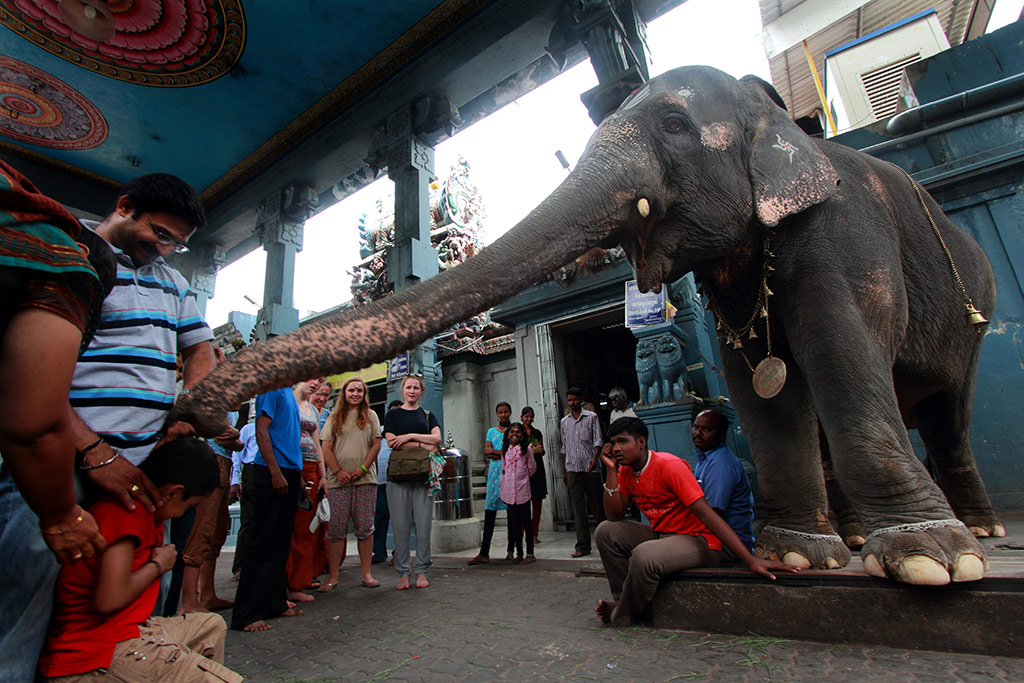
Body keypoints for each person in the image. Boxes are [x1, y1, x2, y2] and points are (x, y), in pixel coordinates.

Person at [1, 171, 213, 680]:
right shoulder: (67, 256)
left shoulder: (174, 282)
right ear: (125, 206)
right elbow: (29, 382)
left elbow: (201, 351)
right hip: (59, 465)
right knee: (28, 602)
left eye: (177, 245)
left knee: (131, 614)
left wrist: (189, 408)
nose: (163, 250)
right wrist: (93, 450)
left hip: (143, 474)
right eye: (159, 234)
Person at [37, 437, 241, 682]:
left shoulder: (146, 513)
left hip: (129, 631)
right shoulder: (128, 515)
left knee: (210, 626)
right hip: (97, 653)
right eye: (188, 506)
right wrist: (157, 566)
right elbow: (108, 600)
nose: (183, 514)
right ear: (173, 492)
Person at [594, 417, 800, 627]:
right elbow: (615, 515)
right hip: (663, 535)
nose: (617, 448)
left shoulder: (668, 466)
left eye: (623, 441)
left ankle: (623, 614)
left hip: (699, 541)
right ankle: (623, 603)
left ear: (641, 442)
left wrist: (750, 560)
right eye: (614, 443)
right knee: (605, 531)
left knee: (644, 555)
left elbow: (706, 514)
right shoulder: (626, 471)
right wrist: (611, 470)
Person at [230, 384, 305, 632]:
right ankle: (246, 614)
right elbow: (262, 432)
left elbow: (290, 436)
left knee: (280, 542)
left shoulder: (288, 394)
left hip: (290, 471)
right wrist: (274, 472)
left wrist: (298, 476)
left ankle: (274, 603)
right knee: (261, 542)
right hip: (272, 470)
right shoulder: (271, 388)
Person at [178, 347, 242, 613]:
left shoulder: (221, 395)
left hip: (223, 464)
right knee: (200, 531)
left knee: (215, 532)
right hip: (205, 463)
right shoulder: (191, 392)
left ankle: (207, 594)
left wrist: (234, 440)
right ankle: (188, 602)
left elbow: (232, 436)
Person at [320, 378, 382, 590]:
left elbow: (376, 445)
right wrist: (337, 471)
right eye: (351, 390)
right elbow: (326, 447)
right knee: (336, 529)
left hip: (365, 480)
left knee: (365, 527)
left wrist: (362, 468)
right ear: (344, 393)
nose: (355, 393)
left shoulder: (371, 416)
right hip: (338, 482)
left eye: (359, 390)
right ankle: (333, 577)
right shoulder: (334, 417)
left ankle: (367, 574)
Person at [383, 375, 441, 590]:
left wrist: (409, 437)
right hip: (398, 477)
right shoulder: (393, 415)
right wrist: (420, 444)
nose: (412, 391)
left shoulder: (427, 415)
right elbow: (391, 442)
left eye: (416, 387)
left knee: (424, 524)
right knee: (400, 525)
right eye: (408, 387)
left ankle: (422, 570)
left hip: (422, 475)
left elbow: (436, 439)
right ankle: (403, 572)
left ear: (421, 391)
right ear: (403, 390)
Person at [284, 378, 328, 603]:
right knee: (286, 529)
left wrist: (322, 475)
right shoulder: (287, 400)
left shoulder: (312, 409)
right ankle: (280, 585)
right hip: (291, 468)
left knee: (304, 529)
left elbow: (317, 442)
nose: (316, 384)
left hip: (311, 470)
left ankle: (296, 583)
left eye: (321, 380)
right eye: (312, 377)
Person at [691, 409, 755, 561]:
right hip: (713, 537)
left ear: (722, 435)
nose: (698, 433)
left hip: (728, 544)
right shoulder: (705, 457)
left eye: (706, 429)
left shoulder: (721, 464)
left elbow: (712, 514)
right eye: (696, 427)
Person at [560, 387, 604, 558]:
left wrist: (595, 458)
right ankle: (582, 547)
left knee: (597, 509)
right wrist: (565, 470)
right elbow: (564, 447)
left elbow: (598, 440)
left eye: (575, 400)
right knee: (579, 511)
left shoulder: (592, 417)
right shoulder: (564, 422)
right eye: (569, 400)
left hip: (590, 469)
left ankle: (605, 544)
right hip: (573, 469)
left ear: (581, 400)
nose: (572, 403)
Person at [468, 402, 514, 565]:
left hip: (511, 473)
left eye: (506, 412)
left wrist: (498, 453)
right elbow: (486, 452)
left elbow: (514, 452)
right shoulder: (491, 431)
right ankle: (484, 552)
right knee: (490, 512)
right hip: (494, 475)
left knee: (511, 513)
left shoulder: (514, 430)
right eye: (500, 412)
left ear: (510, 412)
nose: (503, 415)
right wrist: (503, 453)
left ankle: (511, 551)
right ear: (496, 414)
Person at [500, 423, 537, 564]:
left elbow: (532, 467)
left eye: (518, 432)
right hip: (509, 492)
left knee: (527, 522)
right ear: (508, 435)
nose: (514, 434)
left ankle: (530, 553)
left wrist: (522, 478)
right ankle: (519, 552)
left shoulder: (527, 450)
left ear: (522, 435)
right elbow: (504, 469)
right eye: (511, 432)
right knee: (514, 523)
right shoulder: (505, 451)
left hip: (523, 491)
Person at [372, 400, 403, 564]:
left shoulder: (406, 431)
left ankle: (399, 552)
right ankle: (378, 553)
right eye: (392, 411)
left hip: (400, 480)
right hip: (381, 481)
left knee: (400, 518)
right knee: (380, 517)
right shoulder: (380, 431)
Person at [229, 419, 257, 580]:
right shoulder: (249, 428)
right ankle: (240, 566)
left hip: (271, 471)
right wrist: (234, 480)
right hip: (251, 472)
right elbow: (237, 455)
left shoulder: (278, 426)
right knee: (248, 521)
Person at [521, 406, 547, 545]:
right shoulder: (518, 432)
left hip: (537, 470)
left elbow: (541, 450)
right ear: (521, 417)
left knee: (537, 503)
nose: (529, 419)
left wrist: (537, 450)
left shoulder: (537, 433)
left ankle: (534, 534)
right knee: (523, 505)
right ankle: (521, 534)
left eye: (531, 417)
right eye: (526, 416)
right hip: (523, 471)